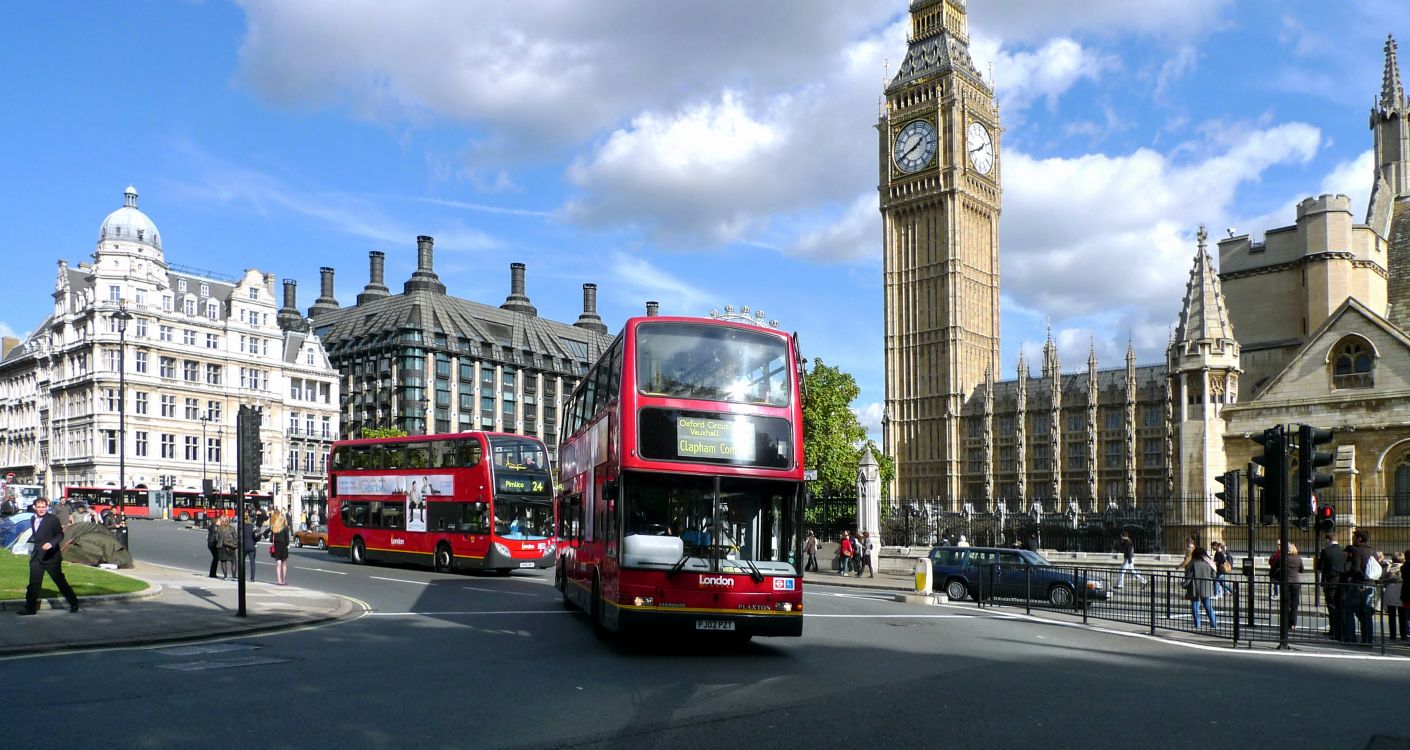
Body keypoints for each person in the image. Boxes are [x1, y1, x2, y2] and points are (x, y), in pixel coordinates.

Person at [19, 498, 81, 615]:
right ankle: (30, 608)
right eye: (39, 507)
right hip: (37, 556)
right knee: (34, 583)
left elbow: (60, 535)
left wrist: (51, 543)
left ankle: (73, 602)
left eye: (43, 507)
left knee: (60, 581)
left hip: (51, 557)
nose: (41, 510)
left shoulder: (53, 519)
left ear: (47, 507)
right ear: (34, 507)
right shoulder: (33, 518)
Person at [1341, 529, 1377, 644]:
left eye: (1354, 538)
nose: (1352, 540)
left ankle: (1351, 637)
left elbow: (1355, 569)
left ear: (1359, 539)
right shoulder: (1373, 551)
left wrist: (1346, 573)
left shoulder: (1358, 551)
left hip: (1359, 584)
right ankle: (1368, 639)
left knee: (1349, 609)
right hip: (1371, 584)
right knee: (1366, 612)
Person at [1317, 532, 1345, 639]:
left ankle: (1333, 630)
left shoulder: (1326, 552)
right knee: (1340, 607)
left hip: (1330, 582)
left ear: (1328, 540)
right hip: (1341, 582)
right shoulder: (1343, 551)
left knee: (1331, 607)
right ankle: (1339, 630)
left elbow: (1320, 567)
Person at [1272, 542, 1306, 629]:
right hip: (1295, 583)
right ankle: (1293, 623)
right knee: (1294, 604)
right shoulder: (1298, 558)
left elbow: (1275, 568)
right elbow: (1302, 570)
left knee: (1285, 603)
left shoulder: (1283, 558)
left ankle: (1285, 623)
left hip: (1285, 583)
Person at [1183, 545, 1218, 630]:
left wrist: (1184, 585)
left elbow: (1189, 577)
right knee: (1208, 606)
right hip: (1206, 588)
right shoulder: (1208, 563)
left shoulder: (1192, 563)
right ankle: (1214, 624)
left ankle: (1197, 625)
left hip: (1195, 588)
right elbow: (1213, 575)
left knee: (1195, 607)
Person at [1383, 552, 1404, 640]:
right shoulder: (1404, 567)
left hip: (1390, 592)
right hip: (1401, 592)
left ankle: (1393, 635)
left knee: (1391, 616)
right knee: (1402, 616)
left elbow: (1382, 577)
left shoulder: (1389, 568)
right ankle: (1404, 635)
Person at [270, 509, 291, 586]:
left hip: (276, 546)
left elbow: (270, 539)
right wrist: (286, 544)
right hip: (283, 546)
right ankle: (284, 580)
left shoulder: (274, 528)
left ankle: (279, 580)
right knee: (284, 564)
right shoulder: (285, 528)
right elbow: (288, 540)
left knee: (278, 563)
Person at [242, 514, 259, 581]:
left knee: (241, 562)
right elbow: (257, 535)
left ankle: (242, 576)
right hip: (251, 546)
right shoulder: (252, 526)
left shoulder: (241, 527)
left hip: (244, 546)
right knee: (252, 562)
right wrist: (255, 542)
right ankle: (252, 578)